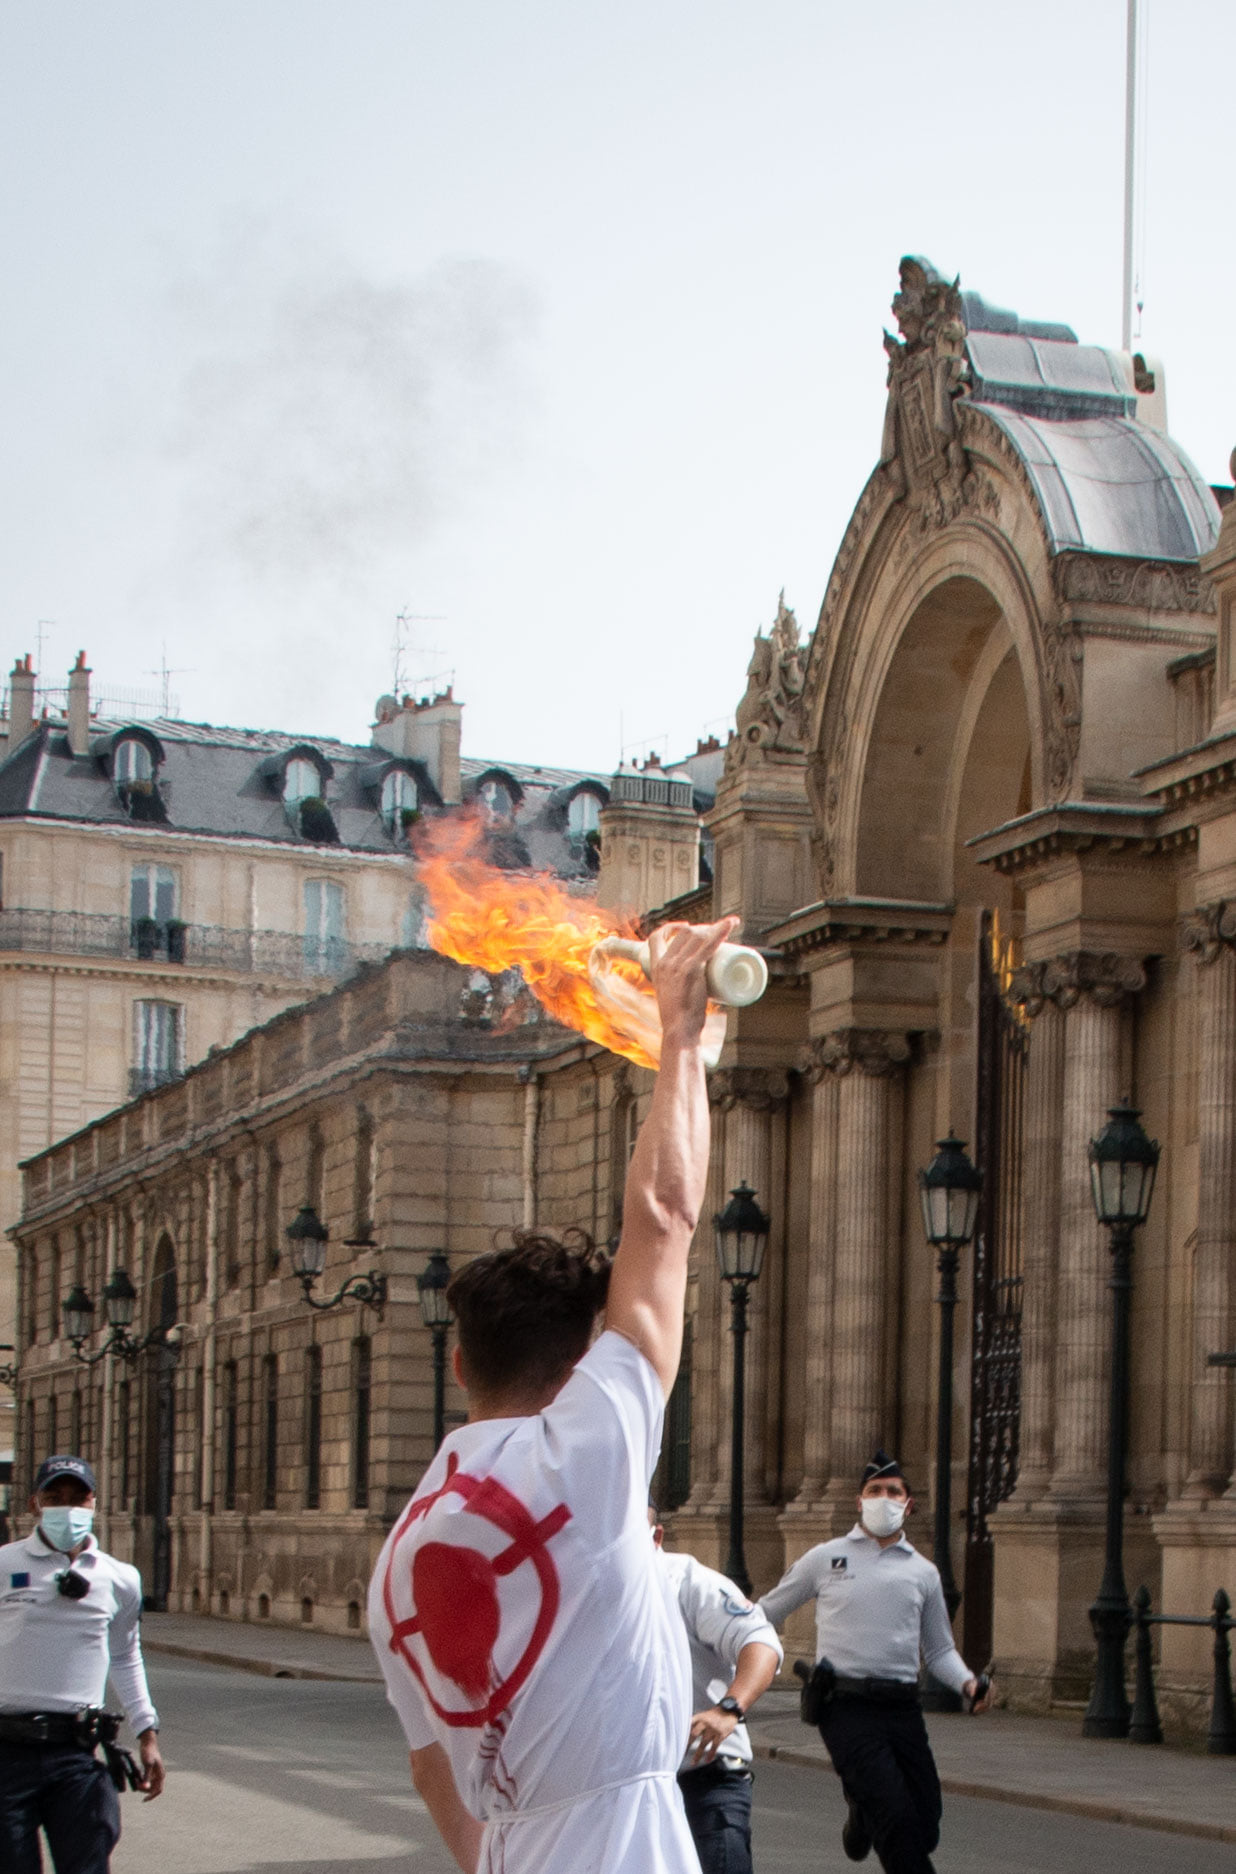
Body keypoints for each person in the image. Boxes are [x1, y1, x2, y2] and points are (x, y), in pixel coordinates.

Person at [369, 915, 739, 1874]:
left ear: (460, 1364)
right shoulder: (589, 1448)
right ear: (584, 1363)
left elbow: (430, 1774)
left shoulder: (398, 1557)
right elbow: (662, 1218)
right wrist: (682, 1039)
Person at [759, 1450, 991, 1874]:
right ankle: (872, 1810)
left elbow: (939, 1650)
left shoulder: (923, 1573)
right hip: (845, 1707)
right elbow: (766, 1613)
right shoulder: (826, 1558)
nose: (884, 1498)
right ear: (859, 1500)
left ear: (908, 1503)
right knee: (897, 1825)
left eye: (893, 1491)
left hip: (902, 1706)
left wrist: (968, 1684)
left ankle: (861, 1812)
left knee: (925, 1823)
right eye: (875, 1490)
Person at [0, 1453, 165, 1874]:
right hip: (7, 1754)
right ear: (35, 1503)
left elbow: (126, 1655)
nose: (67, 1508)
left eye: (79, 1497)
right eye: (55, 1497)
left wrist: (147, 1732)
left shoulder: (120, 1578)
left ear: (94, 1503)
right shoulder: (6, 1565)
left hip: (76, 1754)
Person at [651, 1508, 781, 1874]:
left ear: (656, 1536)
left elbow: (758, 1641)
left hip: (704, 1777)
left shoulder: (687, 1582)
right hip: (624, 1792)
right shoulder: (581, 1595)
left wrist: (728, 1708)